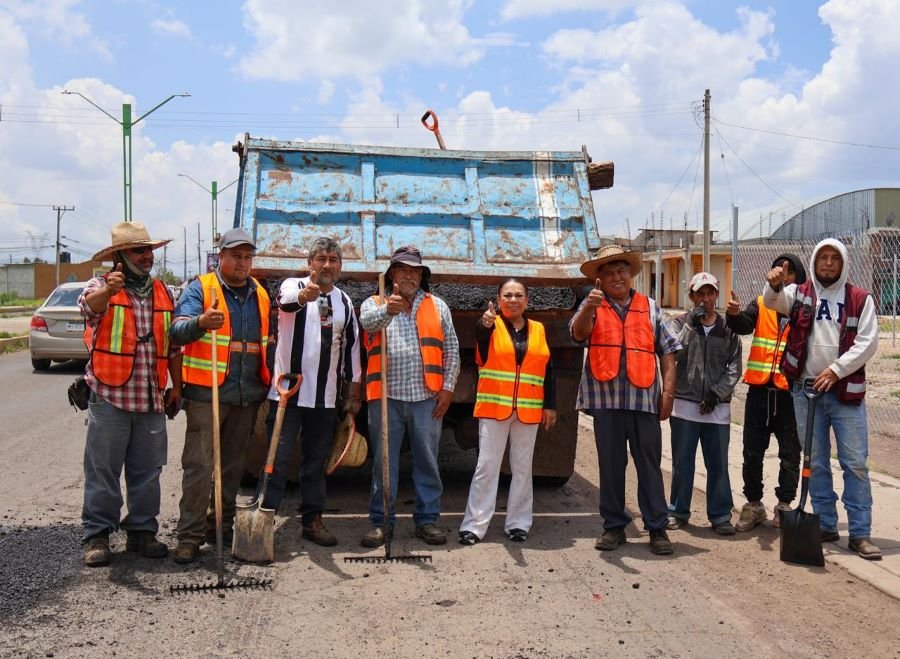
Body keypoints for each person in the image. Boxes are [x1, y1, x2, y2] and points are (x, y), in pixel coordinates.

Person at [764, 239, 881, 560]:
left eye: (834, 258)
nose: (828, 263)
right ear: (814, 262)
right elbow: (773, 301)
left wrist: (836, 370)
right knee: (815, 461)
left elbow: (868, 343)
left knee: (855, 463)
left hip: (845, 394)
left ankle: (860, 533)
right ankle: (826, 524)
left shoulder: (860, 299)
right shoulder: (798, 293)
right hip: (805, 392)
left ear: (843, 263)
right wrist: (773, 285)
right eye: (823, 258)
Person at [79, 222, 182, 567]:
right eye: (139, 250)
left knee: (148, 471)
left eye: (149, 250)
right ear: (120, 256)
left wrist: (177, 386)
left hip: (151, 397)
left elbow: (174, 345)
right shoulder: (100, 286)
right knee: (103, 470)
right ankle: (98, 534)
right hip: (110, 396)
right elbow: (89, 309)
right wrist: (109, 291)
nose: (147, 256)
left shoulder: (163, 292)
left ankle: (141, 532)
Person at [569, 244, 680, 556]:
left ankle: (657, 528)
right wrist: (589, 308)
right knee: (611, 466)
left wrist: (668, 393)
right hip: (606, 402)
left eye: (621, 271)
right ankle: (614, 526)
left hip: (644, 400)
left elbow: (669, 352)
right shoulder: (591, 304)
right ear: (599, 279)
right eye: (609, 273)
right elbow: (578, 334)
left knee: (650, 466)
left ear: (630, 275)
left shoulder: (651, 307)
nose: (616, 277)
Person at [170, 228, 272, 564]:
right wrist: (200, 322)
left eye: (247, 257)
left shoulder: (260, 294)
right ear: (221, 257)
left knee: (232, 468)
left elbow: (265, 343)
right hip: (206, 395)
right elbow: (177, 331)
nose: (242, 263)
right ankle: (189, 535)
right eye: (236, 256)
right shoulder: (201, 288)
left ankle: (222, 527)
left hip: (245, 396)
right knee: (200, 467)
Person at [260, 236, 362, 547]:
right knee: (276, 460)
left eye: (333, 260)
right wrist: (306, 295)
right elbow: (286, 303)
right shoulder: (292, 286)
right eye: (321, 259)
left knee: (316, 463)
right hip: (287, 396)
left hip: (325, 398)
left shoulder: (344, 302)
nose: (327, 265)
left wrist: (352, 394)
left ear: (340, 267)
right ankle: (263, 520)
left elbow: (351, 350)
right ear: (310, 263)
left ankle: (312, 521)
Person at [358, 245, 460, 547]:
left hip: (426, 398)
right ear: (392, 274)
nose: (409, 275)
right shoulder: (374, 302)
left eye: (414, 271)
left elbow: (451, 350)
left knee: (427, 461)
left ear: (421, 275)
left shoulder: (437, 306)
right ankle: (382, 522)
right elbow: (367, 324)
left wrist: (448, 388)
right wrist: (387, 311)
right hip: (385, 398)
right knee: (384, 463)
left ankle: (427, 520)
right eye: (402, 269)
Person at [458, 279, 557, 545]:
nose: (513, 300)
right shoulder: (491, 326)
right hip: (495, 408)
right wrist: (485, 323)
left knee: (523, 468)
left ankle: (518, 524)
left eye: (519, 295)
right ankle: (474, 526)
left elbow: (547, 369)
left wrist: (550, 405)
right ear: (499, 299)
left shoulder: (538, 329)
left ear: (527, 300)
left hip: (528, 410)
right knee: (487, 467)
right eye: (508, 295)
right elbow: (480, 336)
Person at [726, 254, 807, 532]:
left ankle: (784, 506)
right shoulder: (761, 303)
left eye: (790, 272)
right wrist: (733, 315)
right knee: (752, 451)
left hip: (790, 394)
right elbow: (744, 325)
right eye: (779, 271)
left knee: (790, 453)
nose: (784, 276)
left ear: (799, 278)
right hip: (760, 392)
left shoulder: (805, 308)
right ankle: (754, 505)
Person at [666, 273, 742, 535]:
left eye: (710, 293)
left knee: (718, 464)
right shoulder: (678, 323)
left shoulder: (728, 329)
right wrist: (691, 326)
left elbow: (734, 367)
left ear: (716, 295)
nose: (706, 299)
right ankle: (677, 511)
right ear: (691, 296)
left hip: (717, 410)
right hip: (684, 407)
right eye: (700, 294)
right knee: (682, 463)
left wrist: (716, 394)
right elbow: (673, 353)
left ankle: (720, 515)